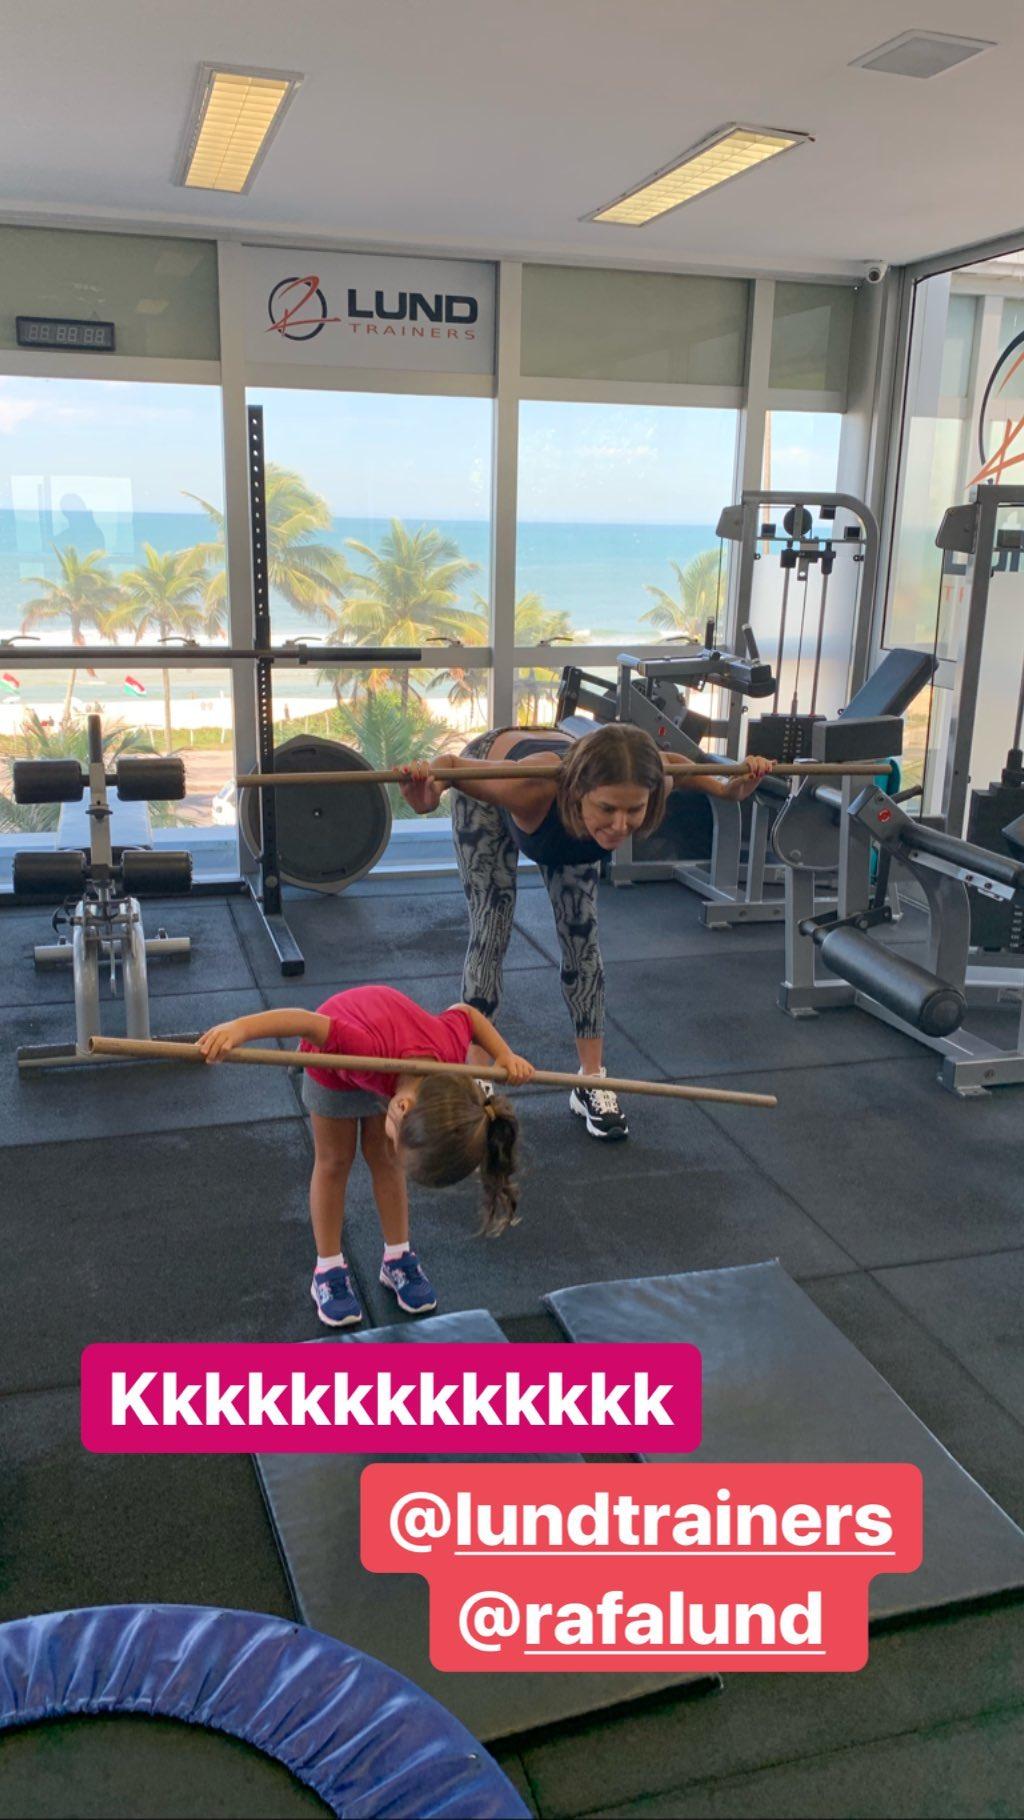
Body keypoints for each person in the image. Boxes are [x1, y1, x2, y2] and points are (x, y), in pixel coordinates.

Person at [400, 723, 775, 1140]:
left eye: (633, 810)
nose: (620, 825)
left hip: (572, 793)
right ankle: (476, 1077)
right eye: (608, 809)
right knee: (492, 925)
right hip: (499, 771)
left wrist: (728, 789)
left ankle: (591, 1080)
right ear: (579, 793)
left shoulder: (652, 780)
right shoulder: (527, 787)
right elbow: (451, 766)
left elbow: (675, 765)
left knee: (582, 939)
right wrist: (427, 795)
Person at [197, 985, 534, 1328]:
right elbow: (305, 1022)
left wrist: (503, 1054)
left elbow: (468, 1015)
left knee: (385, 1159)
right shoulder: (358, 1046)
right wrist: (239, 1029)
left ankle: (397, 1258)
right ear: (401, 1108)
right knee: (334, 1161)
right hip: (334, 1062)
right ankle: (328, 1269)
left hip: (390, 1067)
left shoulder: (442, 1062)